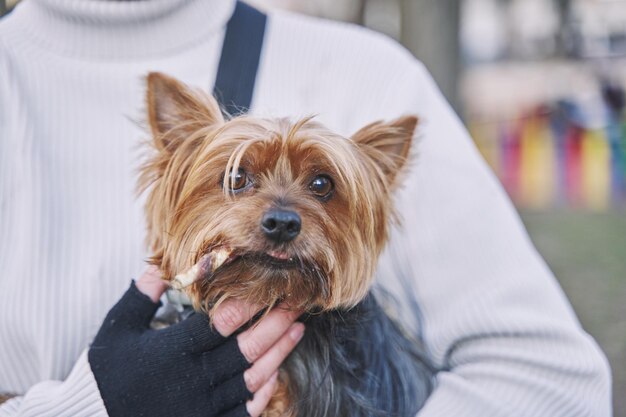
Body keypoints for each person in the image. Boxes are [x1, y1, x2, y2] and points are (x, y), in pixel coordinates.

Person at [0, 0, 611, 416]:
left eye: (323, 188)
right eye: (239, 180)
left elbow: (560, 384)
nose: (282, 215)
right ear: (173, 169)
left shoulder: (373, 72)